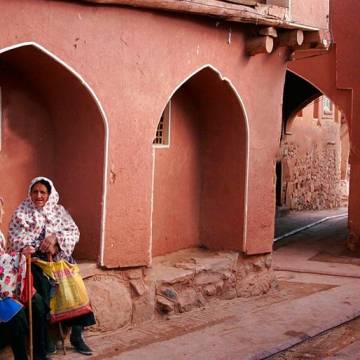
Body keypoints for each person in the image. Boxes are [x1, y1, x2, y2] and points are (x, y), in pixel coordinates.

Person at [8, 177, 95, 356]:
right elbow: (14, 238)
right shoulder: (21, 213)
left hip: (58, 259)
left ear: (50, 194)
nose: (38, 196)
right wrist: (35, 245)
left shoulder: (59, 211)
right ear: (30, 193)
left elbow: (73, 231)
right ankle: (45, 341)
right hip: (35, 261)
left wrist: (55, 238)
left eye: (43, 192)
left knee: (76, 288)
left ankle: (77, 336)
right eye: (35, 192)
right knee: (42, 291)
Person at [0, 197, 49, 360]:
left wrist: (22, 258)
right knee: (17, 317)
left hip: (8, 285)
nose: (1, 212)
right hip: (4, 290)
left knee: (38, 304)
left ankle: (40, 353)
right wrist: (20, 256)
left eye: (0, 207)